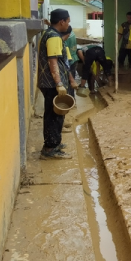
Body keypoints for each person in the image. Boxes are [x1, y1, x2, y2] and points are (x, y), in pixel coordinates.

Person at [37, 9, 77, 160]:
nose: (68, 24)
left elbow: (61, 62)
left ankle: (54, 143)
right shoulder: (53, 37)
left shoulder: (49, 34)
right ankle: (50, 148)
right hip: (51, 83)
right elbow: (52, 60)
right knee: (54, 115)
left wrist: (70, 80)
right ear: (62, 21)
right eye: (68, 21)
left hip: (48, 82)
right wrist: (59, 83)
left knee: (56, 115)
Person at [62, 26, 78, 98]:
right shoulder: (72, 33)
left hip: (69, 60)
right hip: (74, 58)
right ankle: (72, 99)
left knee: (68, 82)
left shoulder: (65, 38)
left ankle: (69, 100)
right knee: (72, 81)